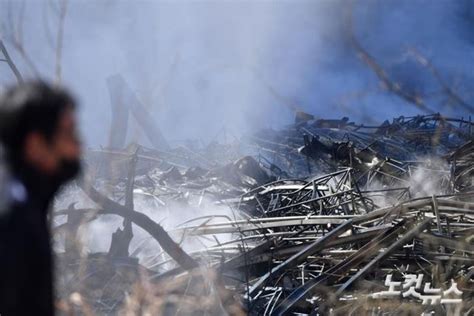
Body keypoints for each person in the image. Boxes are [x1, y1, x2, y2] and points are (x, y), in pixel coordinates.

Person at [0, 82, 81, 315]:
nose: (79, 146)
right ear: (36, 145)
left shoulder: (27, 197)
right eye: (68, 133)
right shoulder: (11, 214)